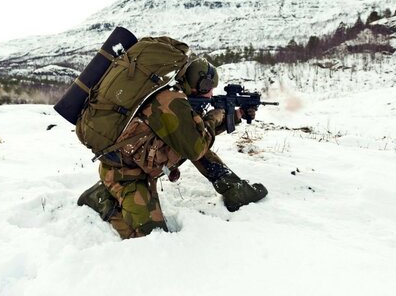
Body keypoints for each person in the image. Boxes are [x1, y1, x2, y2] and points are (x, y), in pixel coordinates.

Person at [77, 57, 268, 239]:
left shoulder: (175, 95)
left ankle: (234, 190)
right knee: (150, 236)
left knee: (193, 143)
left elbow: (192, 133)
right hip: (125, 174)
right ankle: (100, 198)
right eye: (208, 88)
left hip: (140, 164)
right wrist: (215, 116)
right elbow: (196, 145)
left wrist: (235, 115)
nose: (210, 94)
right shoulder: (170, 101)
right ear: (198, 84)